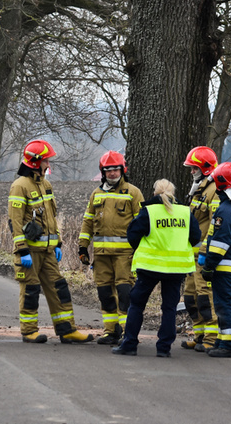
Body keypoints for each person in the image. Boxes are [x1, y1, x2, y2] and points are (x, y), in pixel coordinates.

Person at [8, 140, 93, 344]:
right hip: (30, 252)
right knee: (30, 290)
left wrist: (58, 244)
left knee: (59, 288)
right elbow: (15, 222)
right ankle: (29, 331)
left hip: (47, 252)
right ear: (36, 162)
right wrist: (22, 250)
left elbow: (50, 218)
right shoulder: (20, 186)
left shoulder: (46, 185)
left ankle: (67, 330)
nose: (48, 164)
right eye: (46, 160)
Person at [112, 180, 202, 357]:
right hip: (176, 268)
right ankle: (164, 348)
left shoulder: (149, 211)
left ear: (154, 193)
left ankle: (129, 344)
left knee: (137, 304)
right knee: (169, 308)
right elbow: (195, 236)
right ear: (173, 193)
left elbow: (133, 235)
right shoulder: (185, 212)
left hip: (150, 267)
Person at [77, 151, 144, 344]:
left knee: (125, 293)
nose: (112, 173)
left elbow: (142, 223)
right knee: (105, 293)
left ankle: (127, 332)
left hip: (125, 255)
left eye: (115, 170)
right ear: (102, 172)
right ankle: (111, 331)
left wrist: (139, 249)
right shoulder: (96, 194)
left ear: (123, 170)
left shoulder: (133, 192)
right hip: (101, 255)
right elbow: (87, 222)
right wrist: (83, 247)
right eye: (108, 170)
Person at [202, 162, 231, 358]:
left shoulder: (225, 210)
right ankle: (223, 340)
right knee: (223, 302)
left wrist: (209, 265)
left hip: (224, 264)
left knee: (226, 303)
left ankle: (230, 346)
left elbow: (221, 241)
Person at [181, 146, 221, 352]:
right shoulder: (198, 189)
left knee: (205, 296)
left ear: (205, 168)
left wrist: (206, 251)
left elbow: (215, 224)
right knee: (190, 297)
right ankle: (199, 334)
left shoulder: (214, 190)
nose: (191, 172)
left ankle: (211, 337)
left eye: (193, 168)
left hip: (202, 256)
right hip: (190, 256)